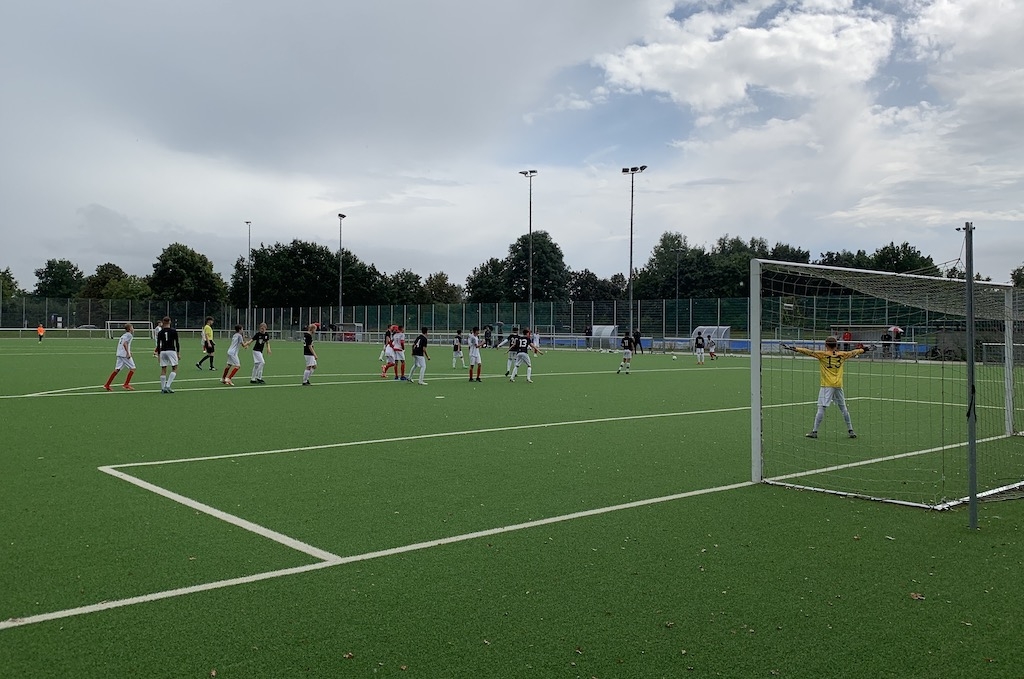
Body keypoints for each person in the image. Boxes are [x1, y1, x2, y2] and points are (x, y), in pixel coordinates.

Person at [783, 336, 871, 439]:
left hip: (826, 386)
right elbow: (853, 352)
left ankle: (814, 431)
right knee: (843, 408)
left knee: (821, 408)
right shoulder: (842, 354)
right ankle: (851, 430)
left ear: (826, 345)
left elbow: (809, 352)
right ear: (836, 345)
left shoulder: (822, 355)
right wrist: (864, 349)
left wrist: (794, 348)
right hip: (838, 385)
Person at [103, 323, 136, 391]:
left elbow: (124, 344)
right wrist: (128, 353)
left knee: (117, 369)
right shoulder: (129, 335)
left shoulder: (123, 335)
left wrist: (129, 351)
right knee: (133, 368)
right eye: (132, 327)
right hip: (124, 355)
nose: (133, 329)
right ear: (130, 329)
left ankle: (107, 385)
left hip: (119, 353)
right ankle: (126, 384)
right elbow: (125, 344)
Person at [156, 316, 180, 394]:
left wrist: (158, 354)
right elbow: (177, 343)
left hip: (163, 351)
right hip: (171, 350)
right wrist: (178, 353)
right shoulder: (173, 331)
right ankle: (168, 385)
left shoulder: (160, 332)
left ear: (163, 322)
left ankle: (163, 388)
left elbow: (158, 344)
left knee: (163, 369)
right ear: (170, 322)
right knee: (175, 368)